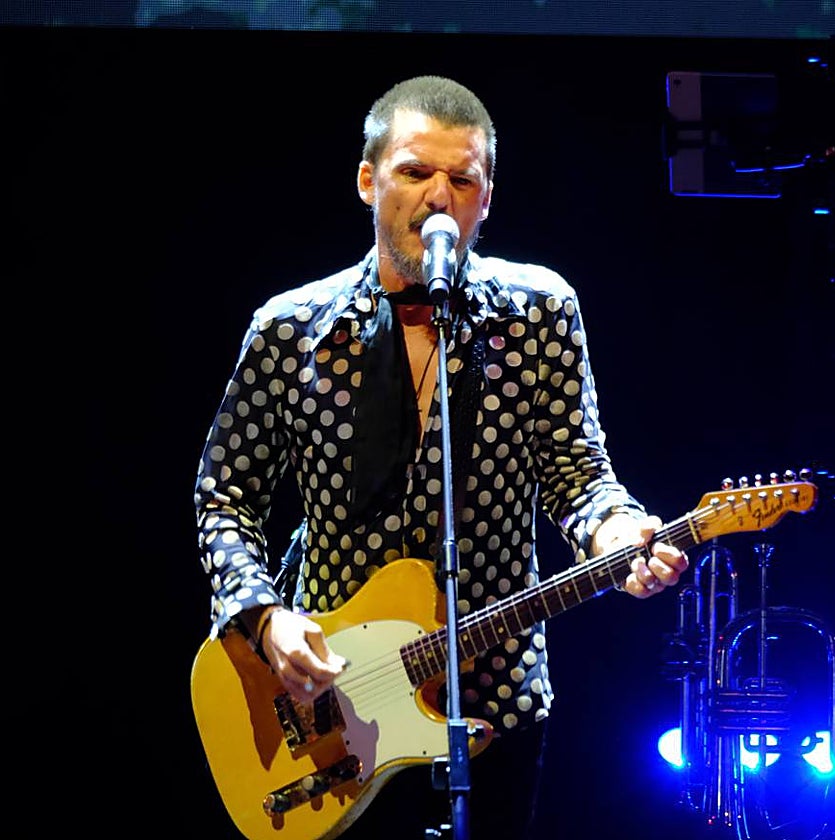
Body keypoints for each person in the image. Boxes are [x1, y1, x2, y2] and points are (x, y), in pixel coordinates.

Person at [192, 74, 689, 840]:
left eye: (462, 180)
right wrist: (262, 619)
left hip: (495, 701)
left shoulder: (541, 313)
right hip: (332, 707)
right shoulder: (289, 329)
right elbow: (224, 495)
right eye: (415, 171)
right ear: (369, 181)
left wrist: (616, 534)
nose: (438, 196)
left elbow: (577, 473)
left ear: (487, 199)